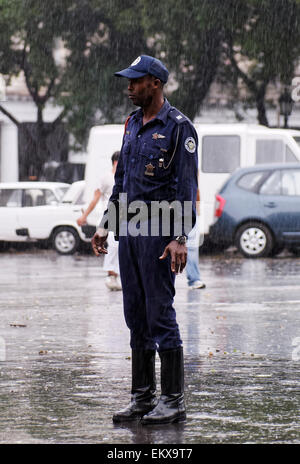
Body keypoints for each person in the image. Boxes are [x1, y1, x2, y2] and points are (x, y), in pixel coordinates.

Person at [91, 55, 198, 425]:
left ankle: (173, 400)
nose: (129, 88)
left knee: (159, 315)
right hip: (131, 234)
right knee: (135, 315)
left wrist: (180, 237)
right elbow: (121, 183)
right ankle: (142, 397)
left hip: (159, 235)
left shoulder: (178, 127)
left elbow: (186, 186)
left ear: (154, 83)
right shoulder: (133, 124)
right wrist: (105, 225)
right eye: (128, 82)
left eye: (135, 82)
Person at [77, 151, 122, 291]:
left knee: (122, 248)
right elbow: (95, 198)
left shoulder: (126, 177)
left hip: (126, 218)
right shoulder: (106, 178)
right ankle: (111, 275)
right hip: (110, 218)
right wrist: (84, 216)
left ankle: (118, 276)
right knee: (114, 246)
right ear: (116, 162)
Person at [186, 188, 206, 289]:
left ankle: (194, 279)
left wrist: (197, 210)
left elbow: (195, 187)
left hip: (190, 208)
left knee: (192, 245)